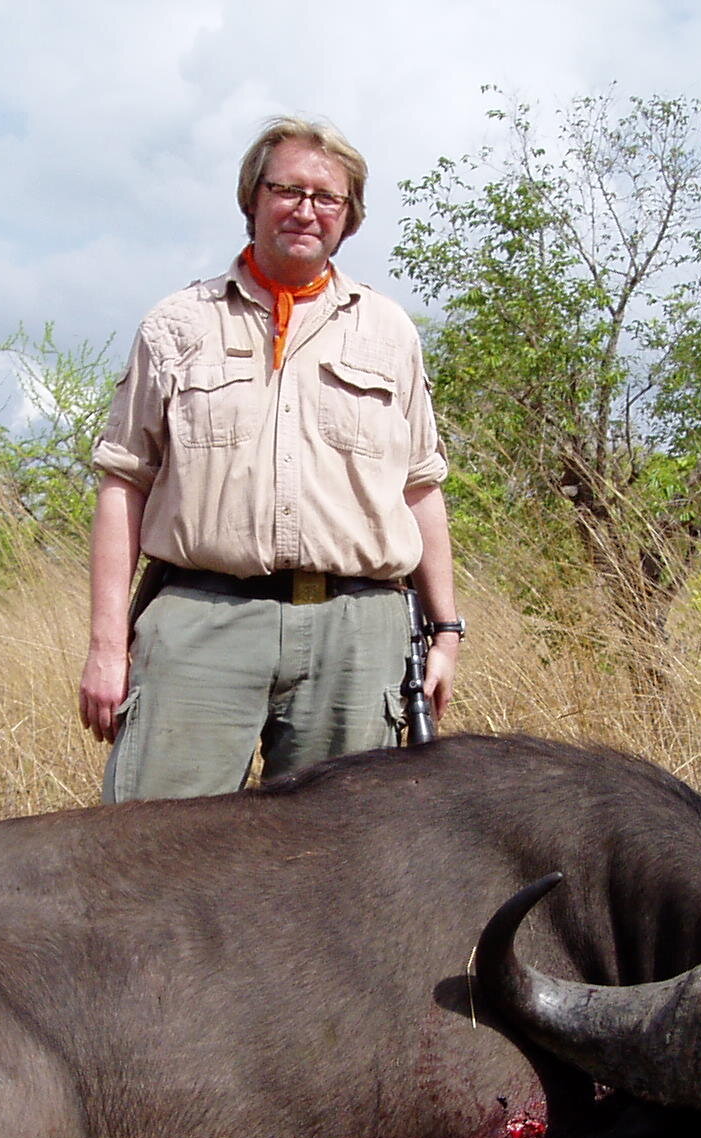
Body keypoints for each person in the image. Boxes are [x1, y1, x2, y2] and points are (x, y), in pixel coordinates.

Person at [80, 116, 462, 801]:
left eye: (327, 198)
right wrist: (107, 649)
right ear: (252, 199)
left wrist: (447, 632)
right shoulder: (177, 324)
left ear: (349, 218)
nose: (305, 210)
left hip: (357, 633)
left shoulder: (389, 331)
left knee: (335, 866)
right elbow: (123, 484)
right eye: (286, 189)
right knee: (151, 861)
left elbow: (419, 488)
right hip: (201, 618)